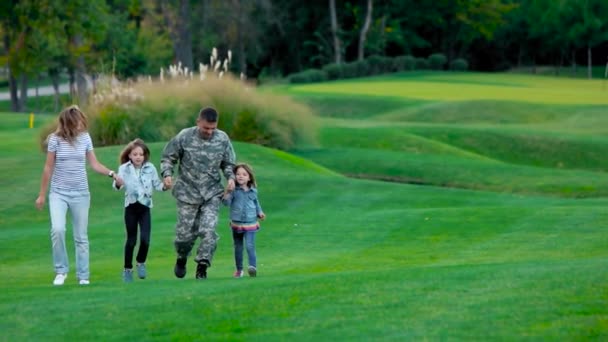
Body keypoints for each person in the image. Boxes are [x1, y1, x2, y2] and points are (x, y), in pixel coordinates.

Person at [35, 105, 123, 286]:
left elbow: (94, 164)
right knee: (58, 230)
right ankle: (61, 271)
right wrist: (42, 195)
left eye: (82, 122)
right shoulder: (54, 140)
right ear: (68, 124)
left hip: (81, 194)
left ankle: (83, 275)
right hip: (58, 193)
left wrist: (112, 174)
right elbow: (48, 167)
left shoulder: (85, 138)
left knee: (81, 236)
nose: (81, 126)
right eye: (77, 123)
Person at [160, 107, 236, 280]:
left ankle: (202, 266)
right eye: (205, 128)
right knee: (184, 236)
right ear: (198, 122)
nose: (209, 132)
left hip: (211, 193)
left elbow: (228, 163)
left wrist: (230, 178)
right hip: (187, 192)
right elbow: (168, 157)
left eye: (212, 129)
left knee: (209, 231)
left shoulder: (222, 139)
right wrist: (167, 174)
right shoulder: (184, 136)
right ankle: (181, 258)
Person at [113, 138, 165, 282]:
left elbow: (158, 185)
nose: (138, 157)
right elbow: (118, 186)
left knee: (145, 240)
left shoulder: (150, 168)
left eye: (141, 154)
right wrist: (118, 183)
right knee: (131, 240)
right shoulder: (124, 168)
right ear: (129, 155)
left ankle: (141, 262)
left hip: (145, 207)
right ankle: (127, 269)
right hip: (130, 207)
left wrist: (166, 185)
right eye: (135, 154)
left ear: (144, 156)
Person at [222, 163, 265, 278]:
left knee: (250, 246)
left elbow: (256, 203)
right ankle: (239, 270)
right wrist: (227, 192)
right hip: (237, 223)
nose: (240, 176)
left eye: (244, 174)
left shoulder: (253, 191)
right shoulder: (234, 191)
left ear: (249, 177)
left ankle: (252, 267)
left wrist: (259, 212)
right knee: (238, 247)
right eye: (238, 174)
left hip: (251, 223)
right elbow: (226, 203)